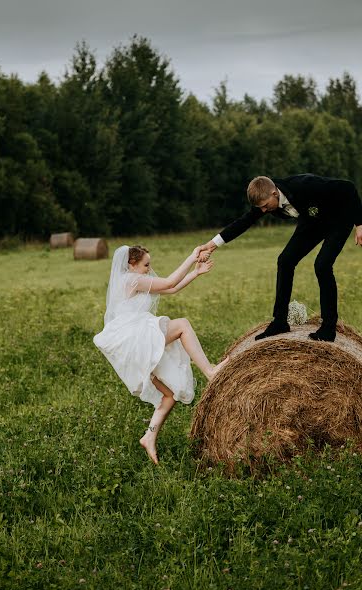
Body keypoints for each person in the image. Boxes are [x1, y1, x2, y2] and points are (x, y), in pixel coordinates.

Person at [93, 244, 228, 464]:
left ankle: (149, 436)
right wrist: (191, 257)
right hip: (134, 337)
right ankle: (210, 371)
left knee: (168, 395)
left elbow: (171, 290)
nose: (148, 268)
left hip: (134, 341)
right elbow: (169, 282)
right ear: (131, 265)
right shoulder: (131, 280)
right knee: (183, 325)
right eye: (145, 264)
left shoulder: (133, 281)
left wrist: (195, 273)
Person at [199, 173, 362, 342]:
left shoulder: (304, 185)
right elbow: (243, 222)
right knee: (285, 261)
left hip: (339, 218)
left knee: (322, 265)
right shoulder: (265, 200)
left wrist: (359, 224)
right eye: (260, 208)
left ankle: (328, 327)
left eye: (265, 206)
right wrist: (211, 245)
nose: (263, 210)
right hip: (312, 222)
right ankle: (280, 321)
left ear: (274, 194)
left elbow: (348, 187)